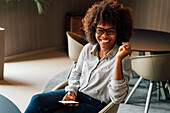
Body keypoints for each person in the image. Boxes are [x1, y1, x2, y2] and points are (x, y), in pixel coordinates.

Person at [24, 0, 134, 113]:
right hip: (77, 94)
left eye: (110, 31)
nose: (104, 36)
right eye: (100, 30)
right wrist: (71, 91)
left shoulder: (123, 58)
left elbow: (117, 97)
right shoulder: (88, 49)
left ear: (118, 32)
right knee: (37, 100)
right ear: (93, 29)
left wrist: (119, 60)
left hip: (95, 104)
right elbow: (76, 73)